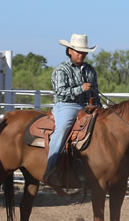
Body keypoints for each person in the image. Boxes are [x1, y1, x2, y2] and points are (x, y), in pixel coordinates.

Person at [43, 34, 100, 187]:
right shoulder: (61, 70)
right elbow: (60, 92)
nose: (81, 54)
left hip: (87, 106)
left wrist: (99, 106)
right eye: (77, 51)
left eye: (84, 52)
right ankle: (50, 170)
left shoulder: (90, 70)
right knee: (62, 129)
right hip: (66, 105)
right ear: (69, 51)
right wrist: (80, 89)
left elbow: (95, 91)